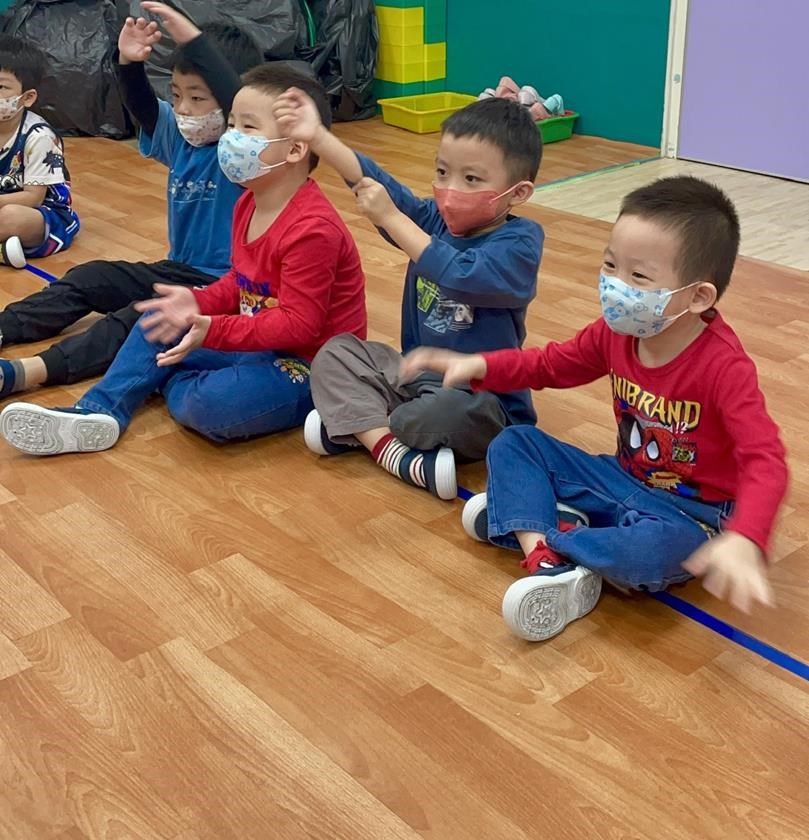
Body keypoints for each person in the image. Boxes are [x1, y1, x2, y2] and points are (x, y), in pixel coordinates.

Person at [400, 175, 789, 641]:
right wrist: (477, 364)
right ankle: (549, 555)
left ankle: (539, 530)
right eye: (610, 265)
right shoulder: (615, 333)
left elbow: (766, 460)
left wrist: (745, 537)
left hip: (692, 518)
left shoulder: (724, 366)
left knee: (648, 553)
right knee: (514, 441)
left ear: (698, 296)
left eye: (638, 277)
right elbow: (550, 365)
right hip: (621, 479)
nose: (616, 285)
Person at [0, 63, 367, 454]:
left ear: (295, 148)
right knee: (156, 322)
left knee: (207, 406)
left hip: (311, 365)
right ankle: (98, 412)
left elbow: (299, 326)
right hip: (258, 344)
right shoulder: (248, 203)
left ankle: (161, 377)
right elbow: (240, 281)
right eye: (231, 125)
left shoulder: (312, 230)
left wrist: (212, 329)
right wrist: (196, 302)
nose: (231, 138)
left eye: (247, 128)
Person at [274, 91, 544, 501]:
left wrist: (391, 218)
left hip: (483, 397)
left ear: (517, 193)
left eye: (471, 179)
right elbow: (381, 186)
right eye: (442, 172)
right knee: (335, 353)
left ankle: (363, 428)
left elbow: (460, 275)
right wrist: (319, 137)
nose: (449, 189)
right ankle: (391, 448)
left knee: (436, 414)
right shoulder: (436, 220)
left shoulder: (520, 243)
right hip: (414, 375)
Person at [0, 2, 262, 401]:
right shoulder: (182, 137)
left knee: (138, 318)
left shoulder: (244, 153)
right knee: (90, 277)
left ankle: (27, 372)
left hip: (225, 287)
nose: (183, 109)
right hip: (178, 269)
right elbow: (143, 106)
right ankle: (7, 326)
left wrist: (196, 42)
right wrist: (128, 63)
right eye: (177, 95)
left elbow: (236, 97)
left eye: (198, 98)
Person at [0, 35, 80, 269]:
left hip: (42, 212)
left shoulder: (39, 137)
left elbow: (33, 197)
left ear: (27, 98)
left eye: (1, 87)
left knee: (11, 216)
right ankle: (4, 251)